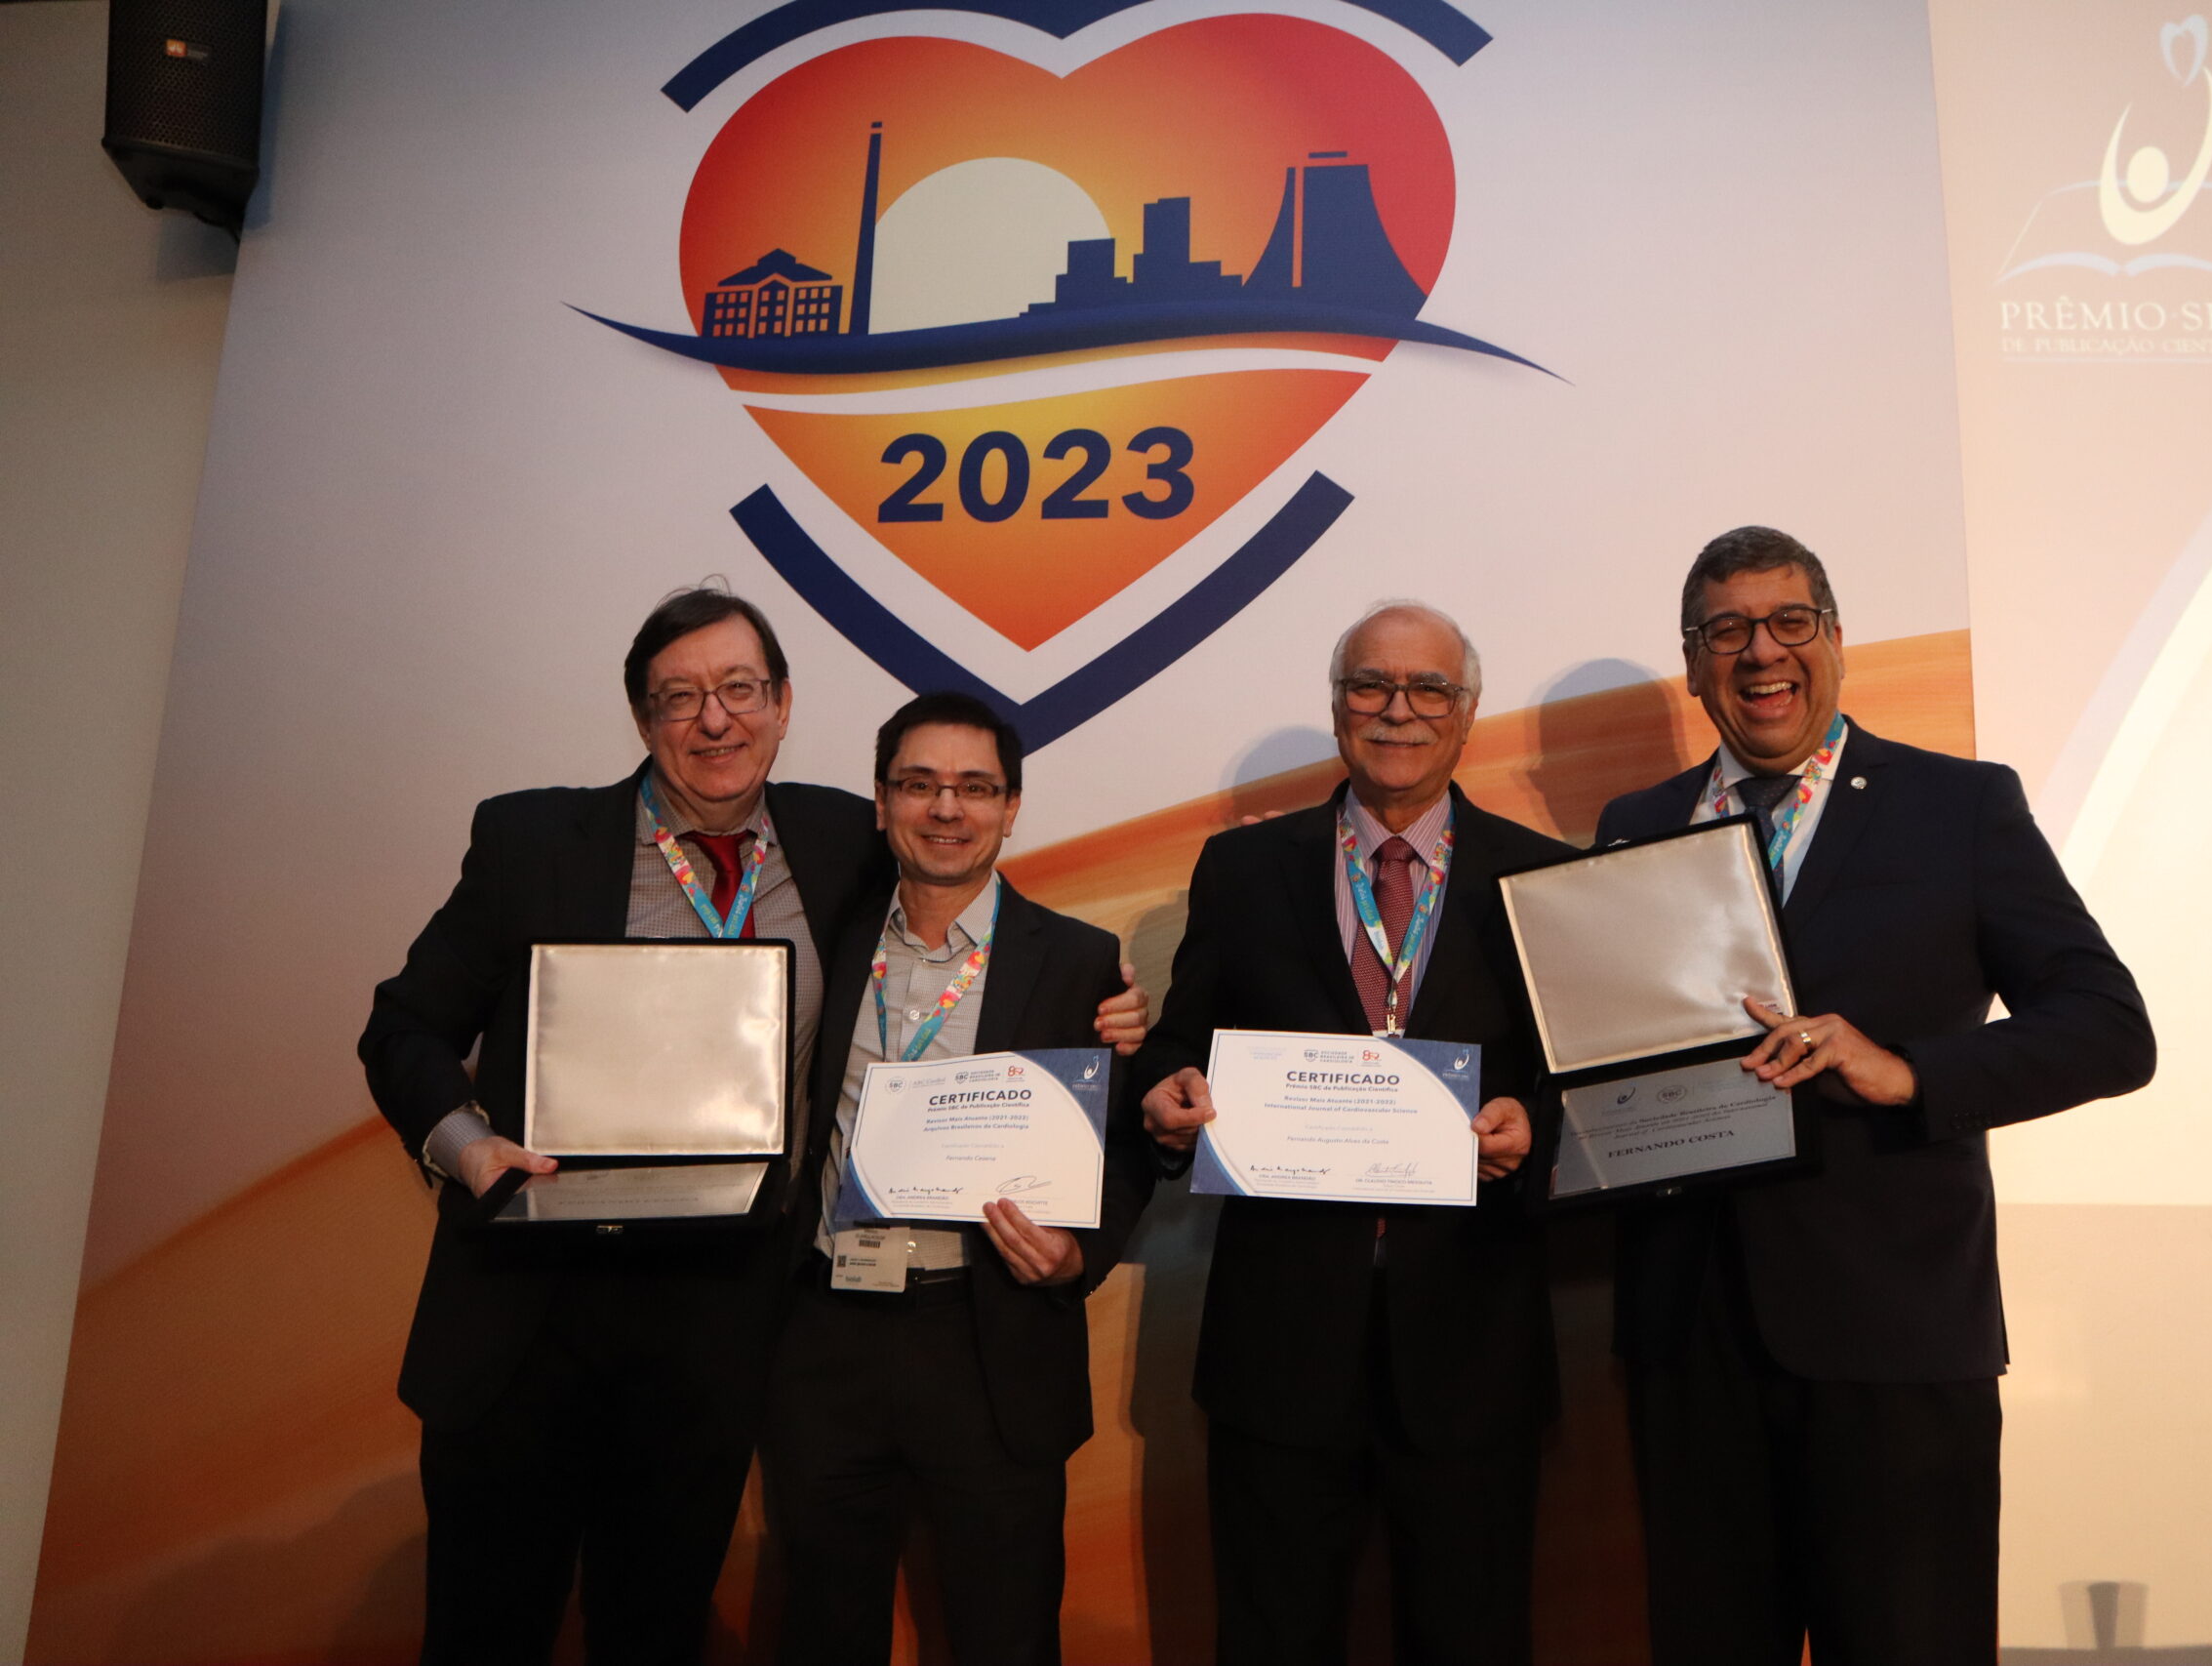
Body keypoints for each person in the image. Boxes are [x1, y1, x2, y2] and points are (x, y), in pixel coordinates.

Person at [358, 589, 1145, 1666]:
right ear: (642, 718)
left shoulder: (837, 840)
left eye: (738, 689)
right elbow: (403, 1027)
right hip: (529, 1314)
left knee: (655, 1631)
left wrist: (1116, 1008)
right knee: (484, 1633)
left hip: (714, 1332)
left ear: (782, 705)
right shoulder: (531, 840)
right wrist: (468, 1148)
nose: (714, 719)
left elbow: (969, 908)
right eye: (680, 697)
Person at [1595, 527, 2155, 1665]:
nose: (1762, 652)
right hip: (1691, 1345)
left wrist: (1908, 1070)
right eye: (1727, 631)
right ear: (1694, 664)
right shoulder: (1636, 825)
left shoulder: (1959, 807)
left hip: (1894, 1342)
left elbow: (2109, 1029)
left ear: (1836, 640)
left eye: (1788, 622)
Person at [1135, 600, 1573, 1666]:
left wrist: (1535, 1123)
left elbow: (1573, 1078)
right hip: (1280, 1341)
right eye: (1371, 685)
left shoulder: (1539, 873)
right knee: (1272, 1637)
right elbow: (1178, 1045)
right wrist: (1164, 1093)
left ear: (1467, 713)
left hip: (1471, 1337)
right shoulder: (1242, 870)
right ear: (1338, 707)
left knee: (1471, 1640)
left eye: (1428, 689)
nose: (1397, 710)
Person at [761, 691, 1156, 1666]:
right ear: (882, 801)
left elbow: (1130, 1147)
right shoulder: (822, 943)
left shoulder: (1078, 962)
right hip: (827, 1339)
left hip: (988, 1342)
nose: (947, 808)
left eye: (975, 788)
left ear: (1011, 808)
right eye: (920, 784)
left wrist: (1078, 1256)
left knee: (1004, 1636)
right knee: (823, 1632)